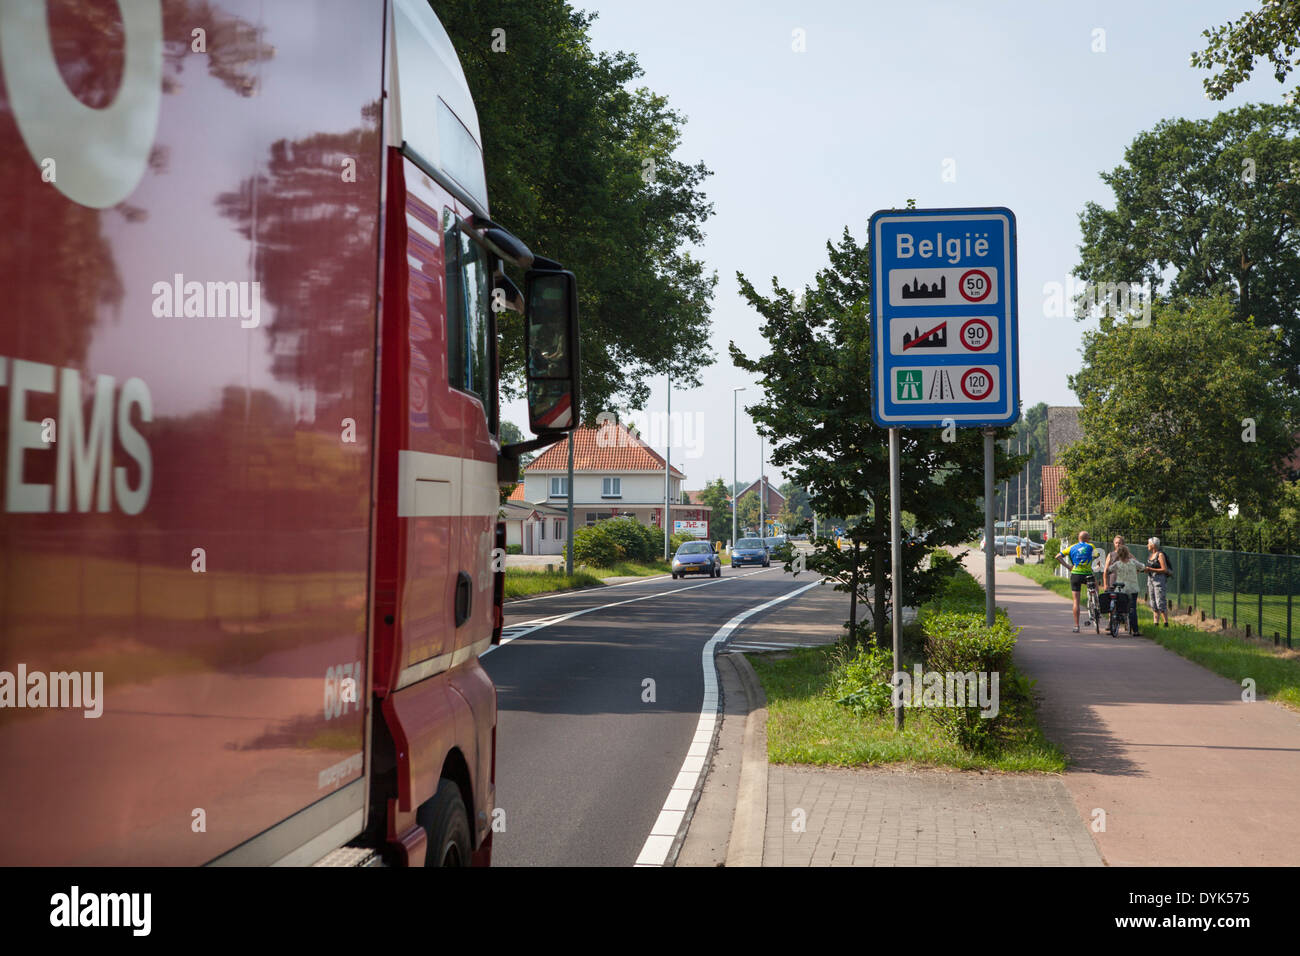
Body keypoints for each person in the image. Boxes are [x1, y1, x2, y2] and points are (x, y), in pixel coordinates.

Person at [1055, 531, 1099, 632]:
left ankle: (1076, 625)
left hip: (1075, 574)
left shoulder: (1072, 547)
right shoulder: (1091, 546)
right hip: (1088, 574)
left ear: (1079, 538)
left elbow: (1058, 556)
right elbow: (1097, 557)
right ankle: (1096, 603)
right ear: (1087, 539)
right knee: (1095, 586)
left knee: (1076, 601)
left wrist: (1068, 567)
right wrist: (1097, 565)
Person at [1104, 542, 1143, 636]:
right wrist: (1138, 570)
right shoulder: (1133, 562)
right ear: (1128, 553)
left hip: (1120, 589)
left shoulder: (1117, 564)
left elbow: (1109, 570)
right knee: (1132, 608)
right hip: (1132, 589)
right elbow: (1142, 567)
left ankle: (1114, 621)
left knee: (1119, 605)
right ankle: (1135, 630)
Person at [1142, 536, 1171, 627]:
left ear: (1153, 545)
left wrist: (1151, 569)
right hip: (1150, 580)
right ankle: (1156, 623)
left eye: (1149, 544)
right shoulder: (1151, 555)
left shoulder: (1160, 555)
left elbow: (1164, 569)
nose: (1147, 545)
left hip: (1159, 580)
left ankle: (1166, 623)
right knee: (1153, 601)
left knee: (1160, 601)